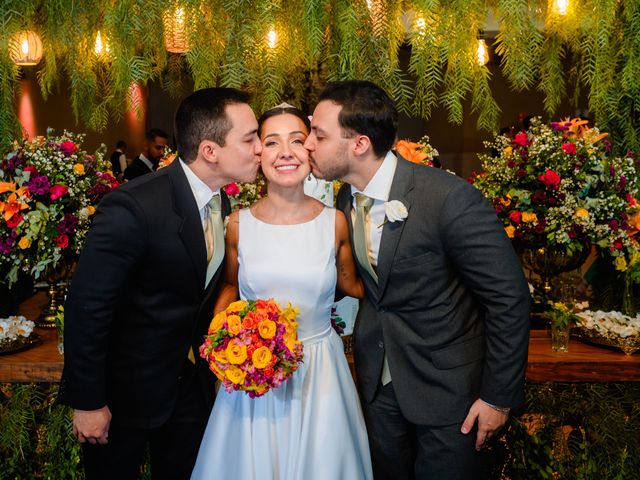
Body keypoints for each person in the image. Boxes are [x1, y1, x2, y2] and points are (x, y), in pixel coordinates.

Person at [304, 80, 530, 479]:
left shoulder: (447, 198)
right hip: (379, 386)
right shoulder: (345, 199)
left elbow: (508, 299)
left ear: (358, 144)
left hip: (450, 394)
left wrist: (498, 399)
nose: (307, 144)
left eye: (318, 135)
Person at [58, 87, 263, 480]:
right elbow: (88, 307)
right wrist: (87, 402)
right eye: (250, 137)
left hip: (188, 394)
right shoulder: (134, 206)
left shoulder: (220, 202)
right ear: (210, 150)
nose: (259, 149)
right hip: (124, 398)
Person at [191, 104, 373, 479]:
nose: (285, 152)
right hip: (254, 373)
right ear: (259, 155)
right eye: (271, 142)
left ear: (311, 151)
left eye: (296, 140)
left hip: (320, 372)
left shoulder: (335, 222)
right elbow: (229, 285)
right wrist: (221, 333)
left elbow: (356, 285)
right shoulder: (238, 224)